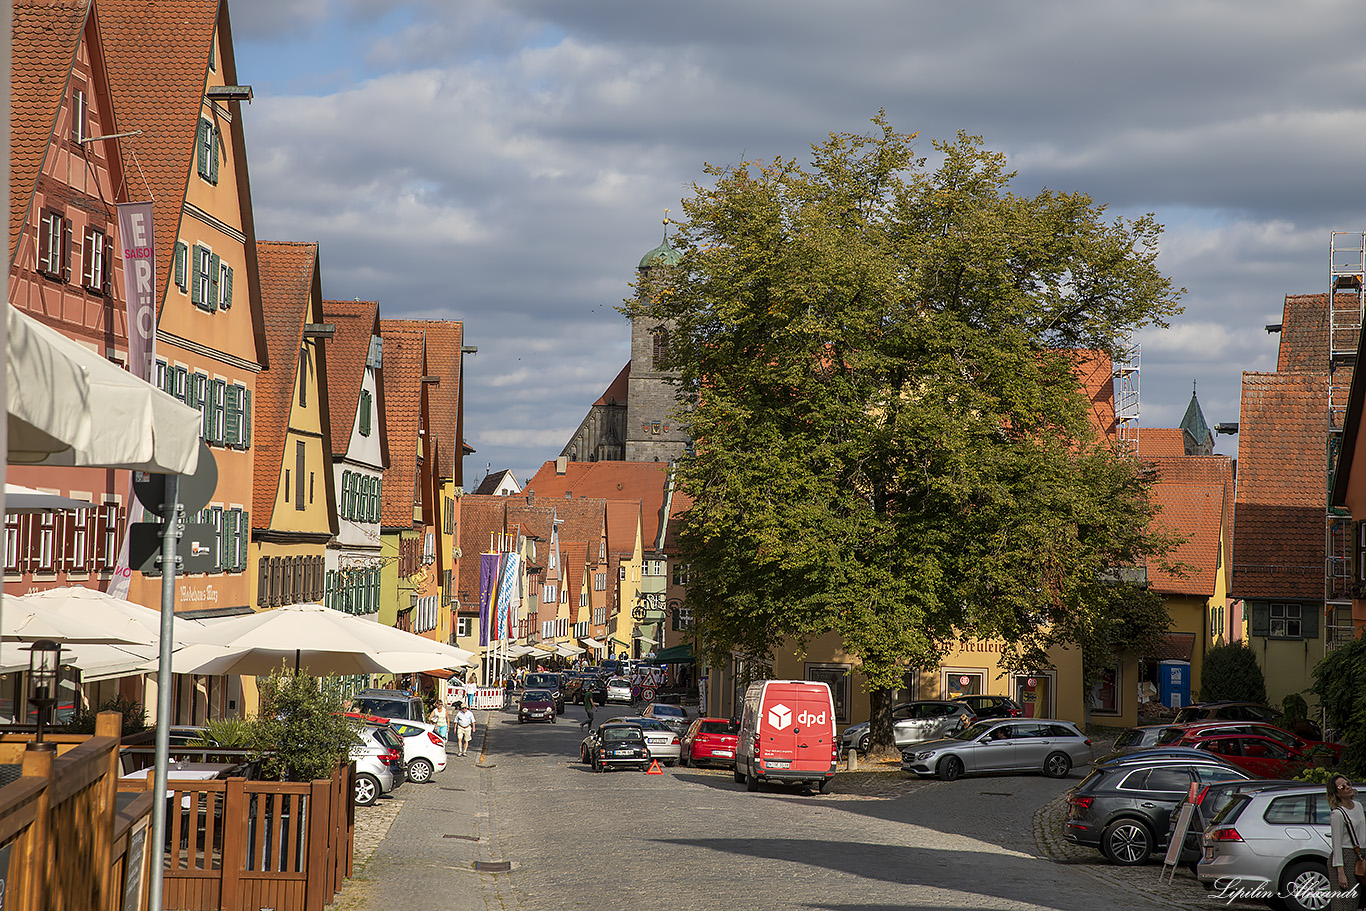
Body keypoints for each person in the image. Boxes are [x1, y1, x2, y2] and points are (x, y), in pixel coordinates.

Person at [1328, 773, 1365, 911]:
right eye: (1342, 786)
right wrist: (1340, 872)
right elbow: (1336, 843)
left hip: (1361, 855)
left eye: (1348, 784)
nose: (1348, 787)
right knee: (1345, 901)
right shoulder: (1337, 814)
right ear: (1336, 792)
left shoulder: (1358, 806)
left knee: (1359, 900)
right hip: (1345, 857)